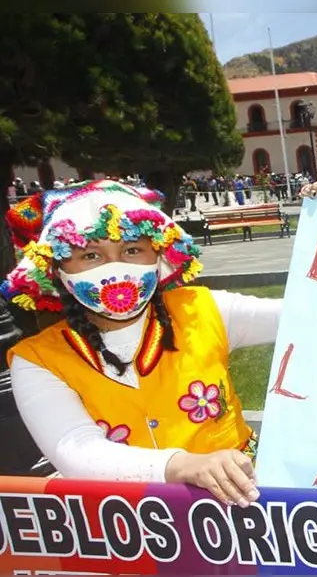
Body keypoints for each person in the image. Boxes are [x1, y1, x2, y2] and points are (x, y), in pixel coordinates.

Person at [1, 179, 288, 507]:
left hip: (241, 512)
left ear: (157, 254)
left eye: (132, 250)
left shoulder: (204, 310)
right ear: (58, 269)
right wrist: (181, 465)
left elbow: (305, 316)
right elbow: (75, 450)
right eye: (91, 254)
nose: (115, 268)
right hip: (126, 537)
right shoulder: (36, 360)